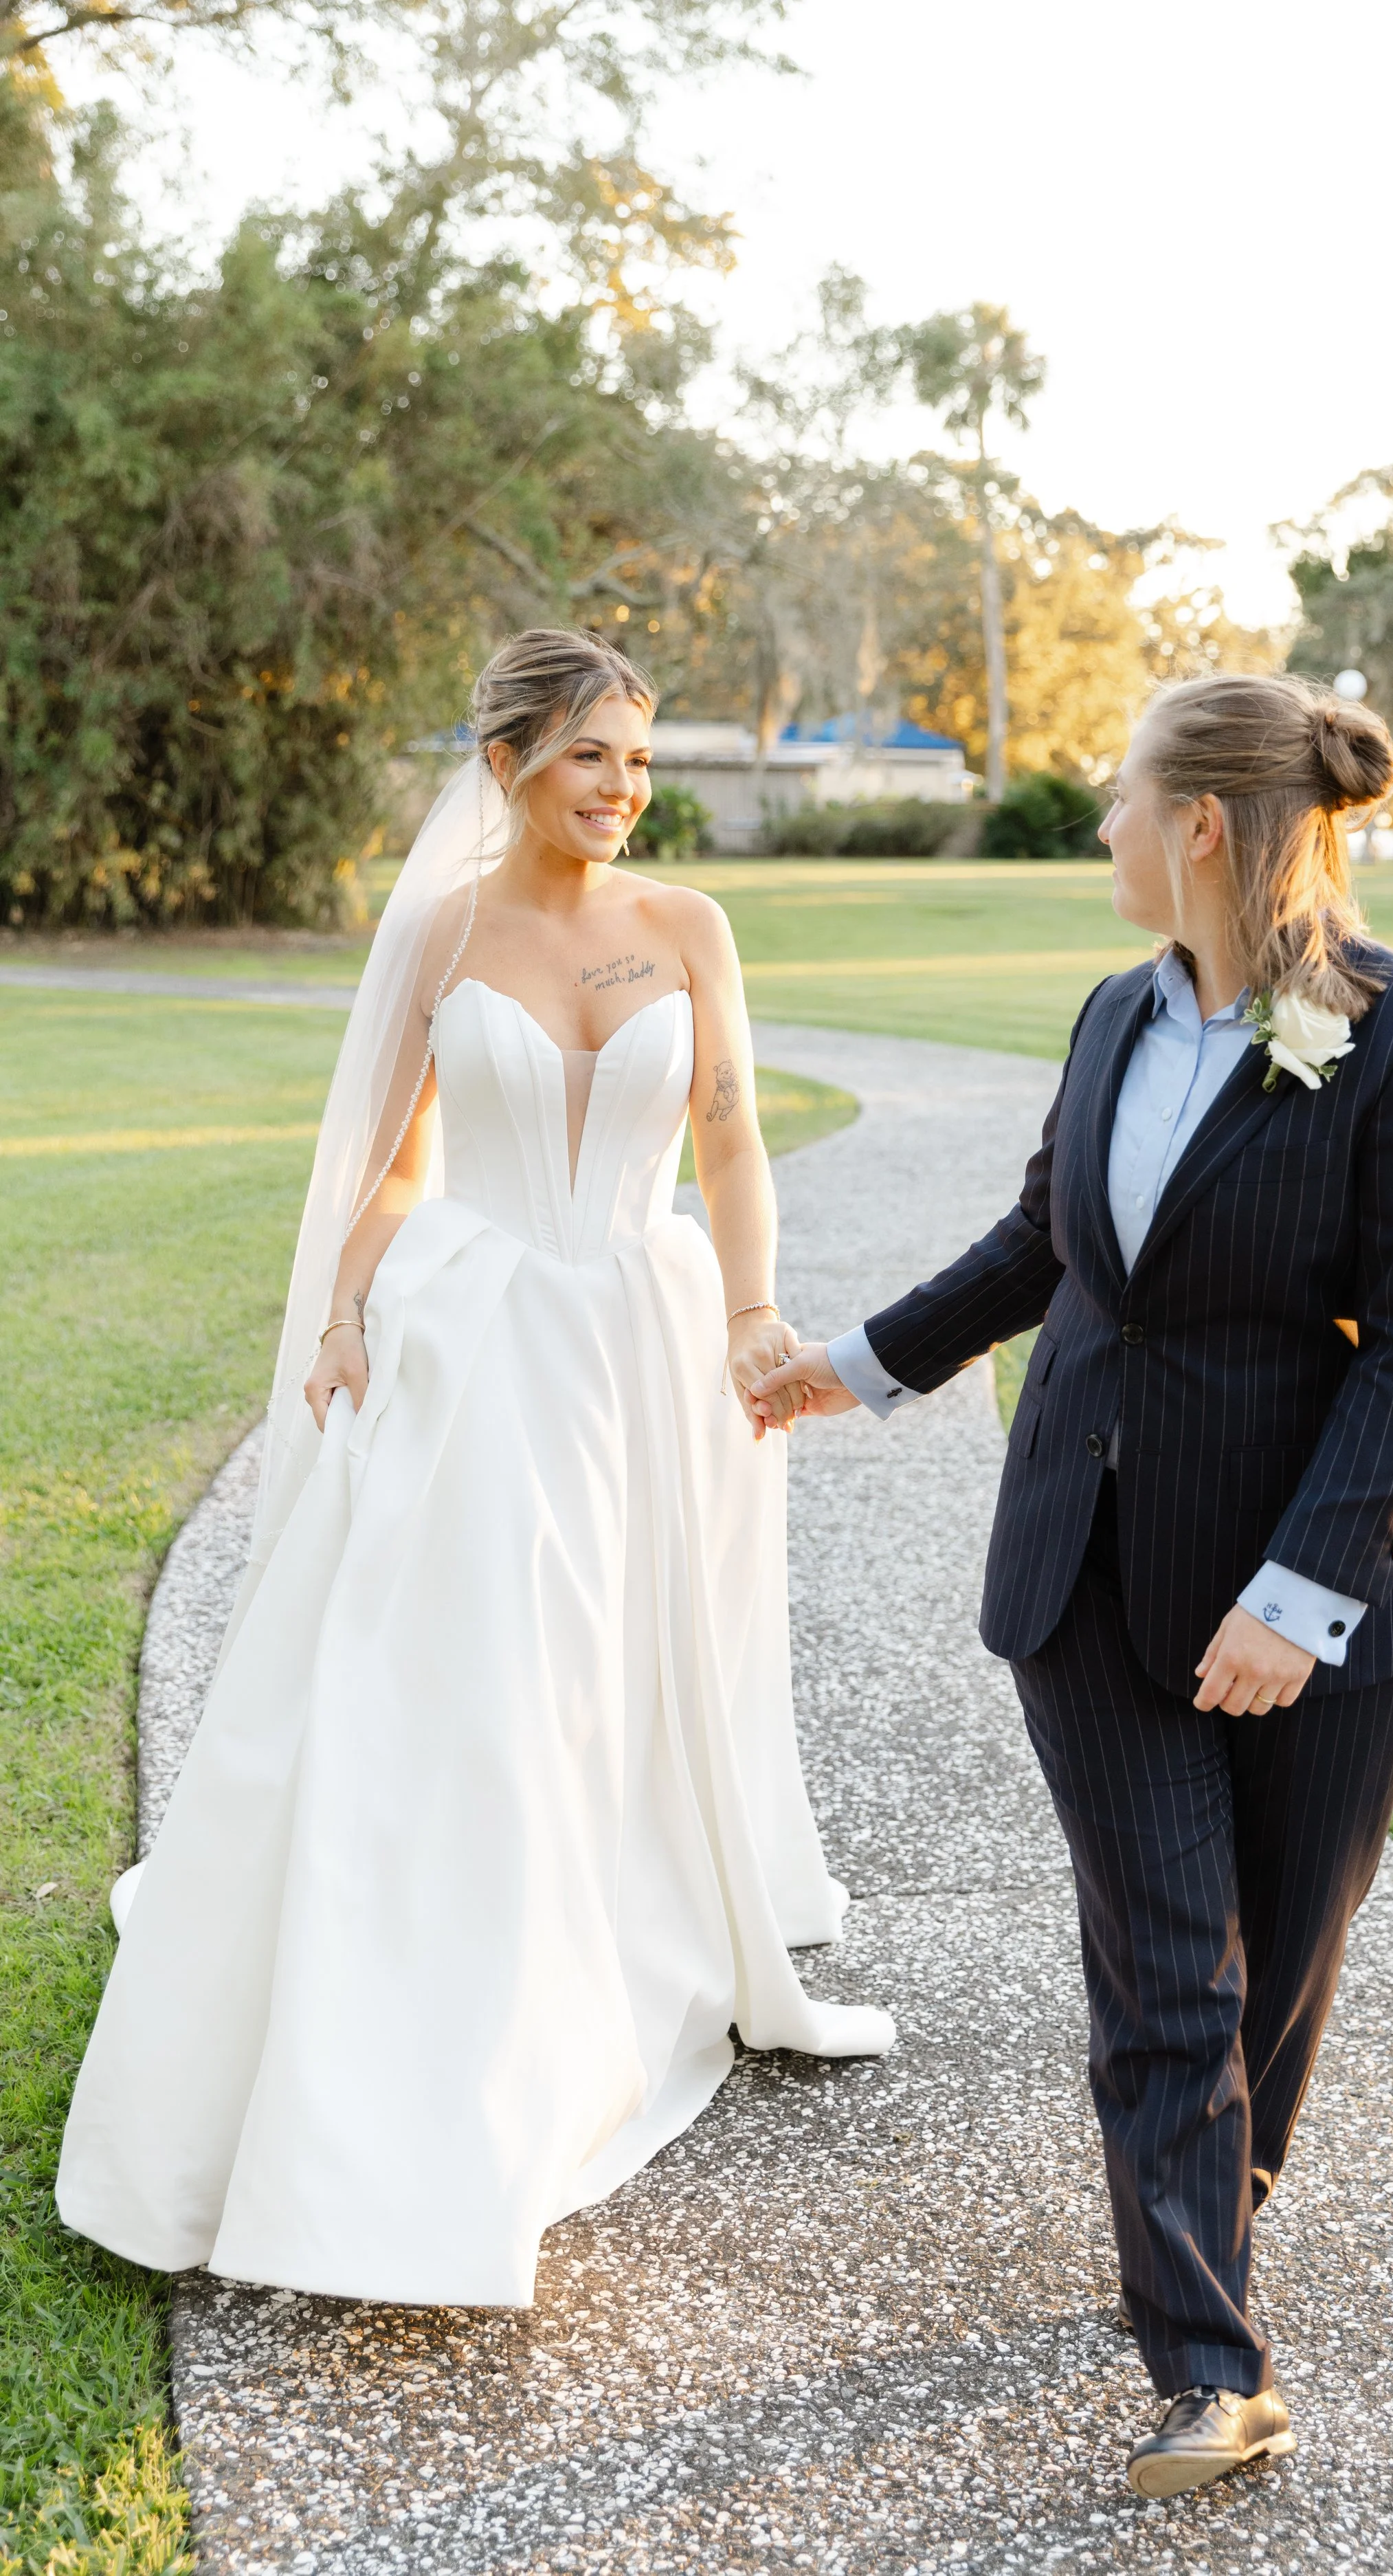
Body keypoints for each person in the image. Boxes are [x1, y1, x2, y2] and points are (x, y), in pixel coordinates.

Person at [57, 627, 893, 2309]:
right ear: (507, 757)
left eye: (641, 764)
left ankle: (607, 1926)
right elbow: (391, 1164)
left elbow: (725, 1132)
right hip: (475, 1332)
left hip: (640, 1340)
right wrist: (349, 1312)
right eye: (593, 756)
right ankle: (453, 2016)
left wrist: (747, 1310)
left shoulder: (688, 927)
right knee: (473, 1666)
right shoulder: (443, 928)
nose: (623, 792)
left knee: (606, 1656)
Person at [753, 672, 1393, 2498]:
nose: (1094, 827)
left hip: (1314, 1591)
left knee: (1275, 1971)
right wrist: (848, 1362)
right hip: (1087, 1558)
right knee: (1169, 1963)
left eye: (1115, 799)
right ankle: (1207, 2360)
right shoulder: (1107, 1014)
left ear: (1197, 826)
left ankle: (1201, 2213)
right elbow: (1045, 1243)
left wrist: (1303, 1591)